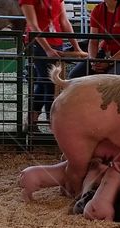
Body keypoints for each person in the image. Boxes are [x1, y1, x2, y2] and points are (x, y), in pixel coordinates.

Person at [20, 0, 83, 132]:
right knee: (49, 83)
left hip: (55, 42)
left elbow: (64, 22)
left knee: (44, 81)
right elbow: (32, 25)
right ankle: (53, 123)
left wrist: (76, 47)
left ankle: (32, 120)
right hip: (37, 42)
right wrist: (47, 49)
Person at [67, 0, 120, 79]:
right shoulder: (98, 9)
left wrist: (109, 62)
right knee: (74, 76)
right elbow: (93, 41)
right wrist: (93, 60)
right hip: (105, 54)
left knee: (108, 79)